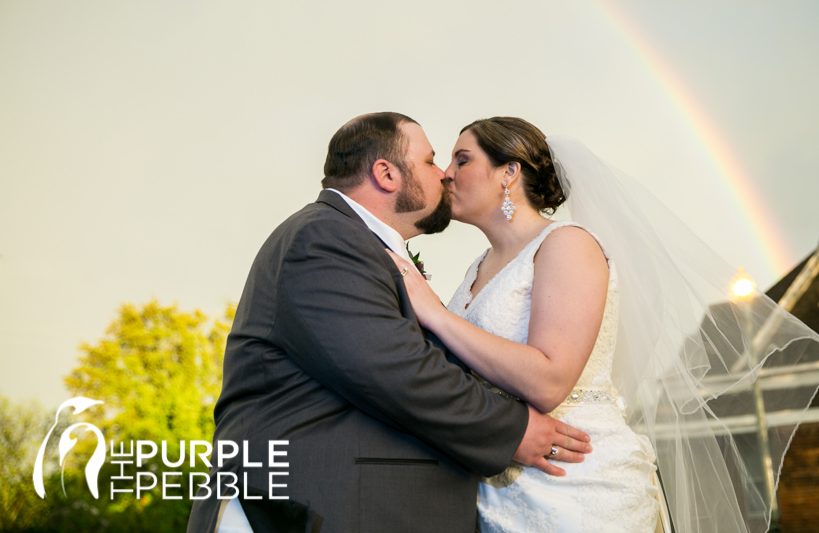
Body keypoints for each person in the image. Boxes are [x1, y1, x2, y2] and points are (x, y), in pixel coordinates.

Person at [387, 117, 819, 533]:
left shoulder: (568, 246)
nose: (445, 174)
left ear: (509, 172)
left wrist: (437, 315)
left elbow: (549, 380)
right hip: (497, 488)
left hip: (579, 484)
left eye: (462, 159)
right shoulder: (476, 269)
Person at [186, 112, 592, 533]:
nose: (444, 176)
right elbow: (391, 367)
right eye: (433, 161)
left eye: (456, 162)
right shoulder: (324, 237)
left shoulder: (354, 243)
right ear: (385, 173)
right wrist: (512, 431)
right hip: (301, 513)